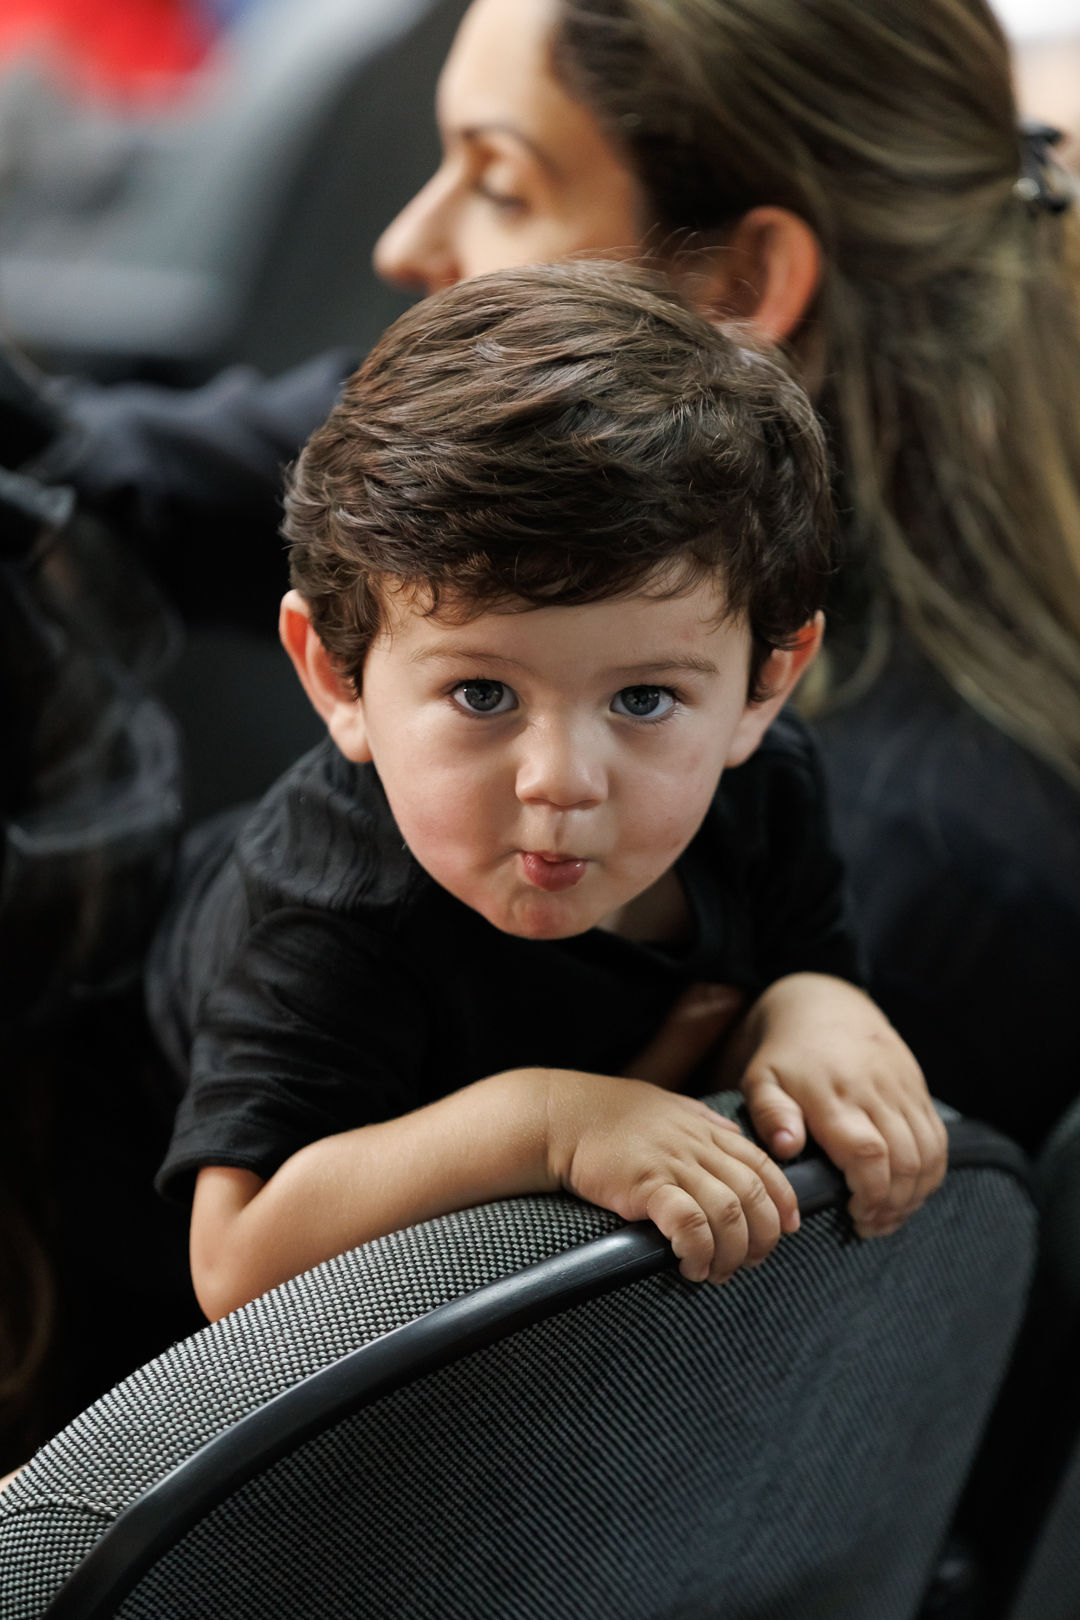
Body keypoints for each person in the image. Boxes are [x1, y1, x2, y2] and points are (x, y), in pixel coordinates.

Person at [44, 0, 1080, 1153]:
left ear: (741, 286)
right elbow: (103, 471)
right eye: (484, 690)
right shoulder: (502, 460)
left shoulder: (935, 876)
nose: (403, 245)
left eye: (502, 185)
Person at [147, 262, 946, 1322]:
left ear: (764, 685)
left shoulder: (764, 787)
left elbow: (795, 959)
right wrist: (550, 1127)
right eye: (482, 693)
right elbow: (234, 1263)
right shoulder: (329, 913)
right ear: (337, 676)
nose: (562, 780)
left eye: (646, 700)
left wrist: (810, 1009)